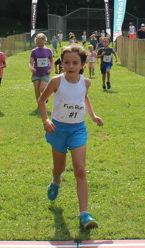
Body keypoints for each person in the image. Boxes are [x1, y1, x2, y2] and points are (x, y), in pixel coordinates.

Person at [38, 43, 104, 230]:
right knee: (59, 167)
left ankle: (84, 214)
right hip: (58, 129)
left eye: (75, 63)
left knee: (80, 170)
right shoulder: (56, 81)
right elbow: (42, 100)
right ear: (62, 63)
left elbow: (84, 97)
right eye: (66, 62)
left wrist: (93, 116)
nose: (70, 66)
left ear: (83, 64)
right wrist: (45, 120)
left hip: (78, 129)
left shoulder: (86, 83)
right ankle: (56, 180)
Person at [29, 33, 54, 106]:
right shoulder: (34, 51)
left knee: (42, 88)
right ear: (36, 41)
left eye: (41, 43)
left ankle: (46, 97)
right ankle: (39, 104)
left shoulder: (48, 50)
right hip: (36, 73)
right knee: (37, 89)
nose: (40, 44)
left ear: (45, 41)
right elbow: (30, 62)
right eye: (38, 43)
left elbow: (51, 61)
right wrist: (31, 68)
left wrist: (51, 69)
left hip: (45, 73)